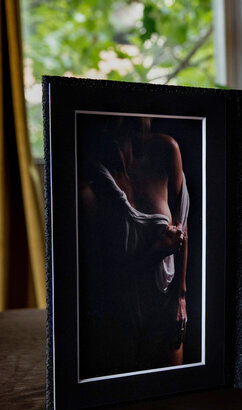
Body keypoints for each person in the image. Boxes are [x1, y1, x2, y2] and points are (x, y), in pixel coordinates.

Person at [78, 116, 189, 377]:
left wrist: (180, 297)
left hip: (165, 304)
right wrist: (156, 252)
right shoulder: (90, 188)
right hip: (119, 315)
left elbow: (183, 224)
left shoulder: (164, 151)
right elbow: (100, 281)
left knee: (176, 401)